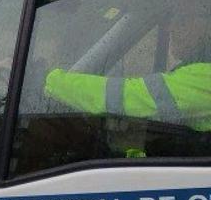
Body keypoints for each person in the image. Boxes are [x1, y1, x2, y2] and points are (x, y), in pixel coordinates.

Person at [44, 13, 211, 131]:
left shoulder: (205, 79)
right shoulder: (197, 71)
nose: (170, 28)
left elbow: (125, 97)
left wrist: (51, 82)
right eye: (171, 19)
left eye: (183, 19)